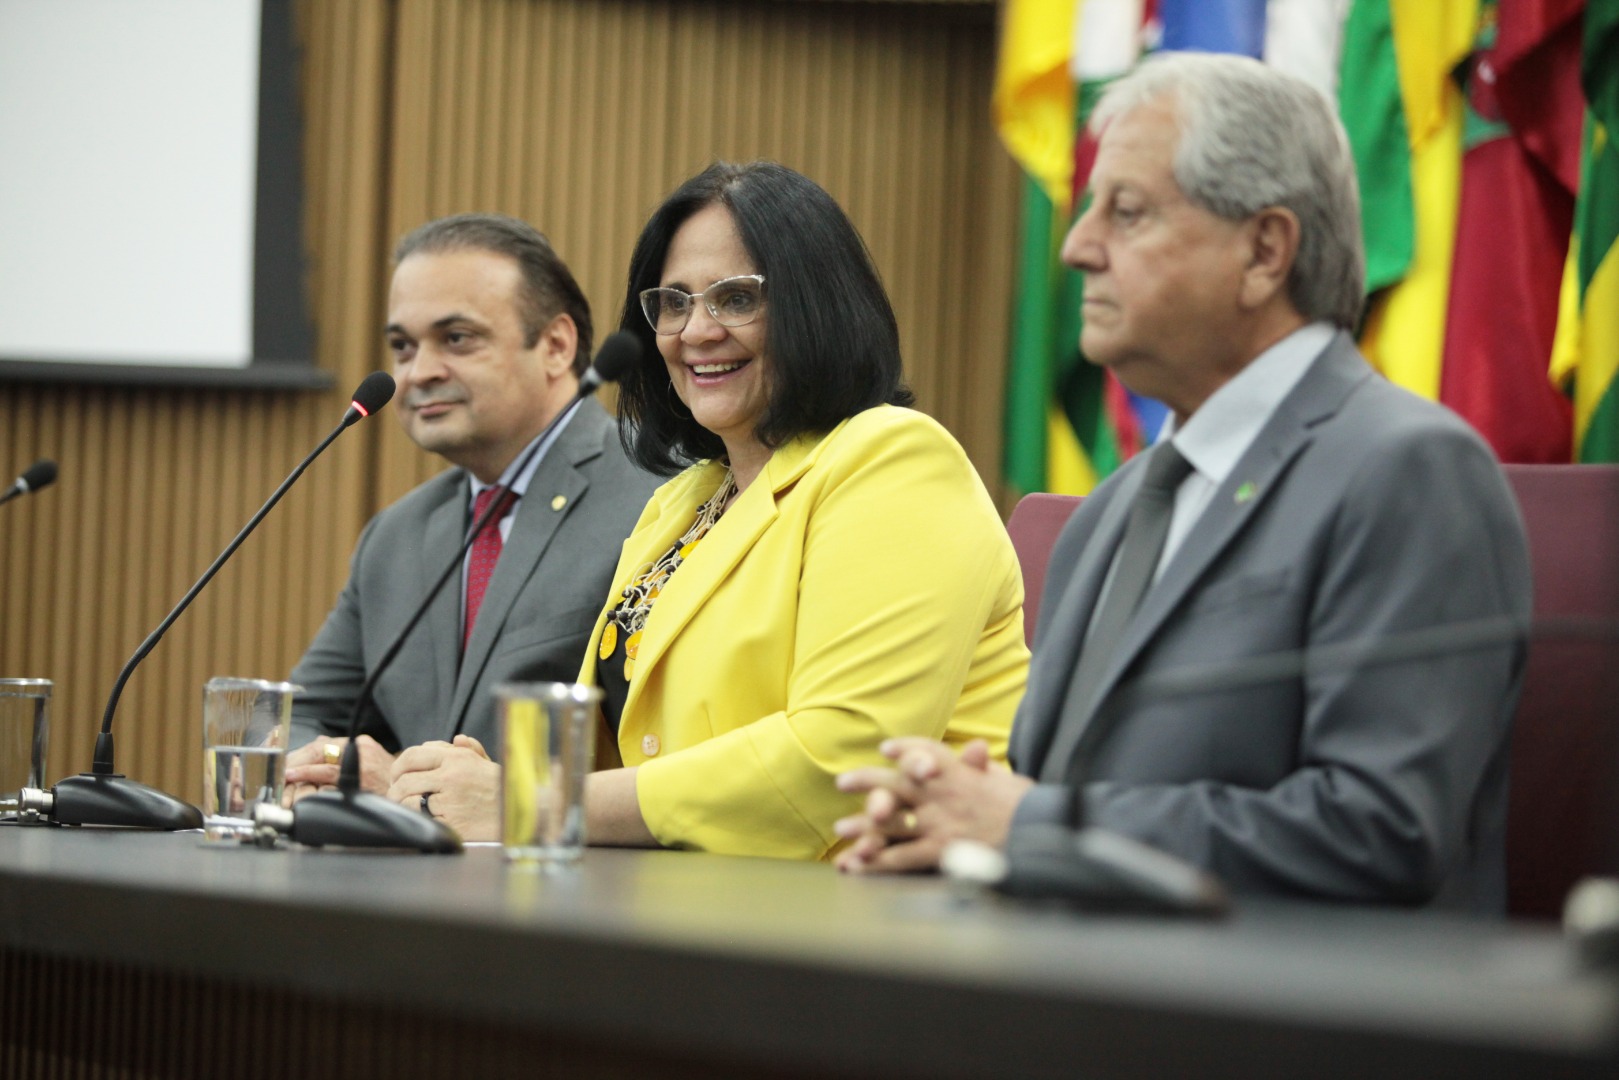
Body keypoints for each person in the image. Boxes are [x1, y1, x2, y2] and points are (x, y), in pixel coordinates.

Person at [835, 52, 1533, 911]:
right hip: (1077, 995)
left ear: (1264, 251)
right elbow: (1053, 790)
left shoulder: (1409, 470)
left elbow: (1380, 828)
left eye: (1125, 212)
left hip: (1302, 1025)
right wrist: (944, 825)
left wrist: (1029, 824)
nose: (1077, 246)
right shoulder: (1111, 511)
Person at [386, 162, 1030, 858]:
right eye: (673, 302)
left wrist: (531, 801)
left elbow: (841, 760)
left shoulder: (893, 459)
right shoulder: (681, 502)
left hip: (862, 916)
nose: (695, 331)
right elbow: (619, 759)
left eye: (734, 298)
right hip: (676, 904)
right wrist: (439, 785)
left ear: (817, 304)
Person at [281, 213, 659, 807]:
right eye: (403, 346)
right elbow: (288, 718)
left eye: (456, 338)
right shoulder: (397, 536)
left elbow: (682, 755)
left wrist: (409, 781)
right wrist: (334, 762)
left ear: (556, 346)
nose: (417, 372)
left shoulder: (660, 496)